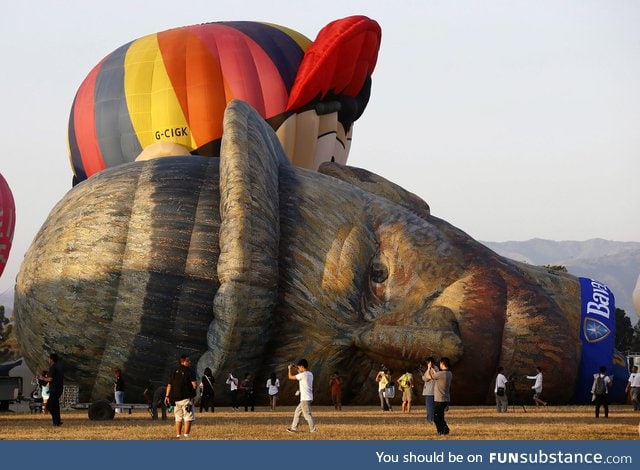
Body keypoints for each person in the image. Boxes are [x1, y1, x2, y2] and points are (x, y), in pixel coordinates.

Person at [164, 355, 197, 438]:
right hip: (186, 398)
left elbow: (169, 385)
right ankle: (186, 435)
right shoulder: (189, 371)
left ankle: (178, 434)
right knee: (188, 416)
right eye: (188, 361)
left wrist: (167, 396)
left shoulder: (174, 370)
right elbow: (194, 385)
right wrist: (193, 394)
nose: (189, 362)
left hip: (175, 399)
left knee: (178, 417)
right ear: (184, 361)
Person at [286, 359, 316, 433]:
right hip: (309, 397)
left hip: (304, 399)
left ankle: (313, 430)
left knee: (307, 415)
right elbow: (300, 371)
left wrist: (289, 369)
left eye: (299, 367)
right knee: (297, 412)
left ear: (302, 367)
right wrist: (295, 367)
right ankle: (294, 428)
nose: (298, 369)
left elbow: (290, 377)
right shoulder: (310, 374)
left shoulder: (302, 375)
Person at [429, 357, 452, 435]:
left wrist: (429, 368)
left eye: (440, 363)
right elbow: (437, 375)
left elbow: (430, 377)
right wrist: (433, 369)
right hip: (446, 399)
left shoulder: (441, 374)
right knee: (440, 416)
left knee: (436, 418)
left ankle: (443, 431)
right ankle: (444, 431)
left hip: (439, 399)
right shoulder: (449, 373)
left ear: (442, 363)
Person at [40, 352, 64, 426]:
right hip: (59, 388)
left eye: (49, 359)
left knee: (50, 406)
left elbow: (50, 379)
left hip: (54, 389)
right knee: (55, 406)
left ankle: (56, 421)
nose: (48, 360)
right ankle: (57, 422)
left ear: (52, 360)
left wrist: (42, 378)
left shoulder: (53, 367)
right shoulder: (60, 366)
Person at [422, 357, 438, 422]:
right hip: (431, 391)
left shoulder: (432, 369)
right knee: (431, 407)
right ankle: (431, 419)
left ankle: (430, 420)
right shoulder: (435, 368)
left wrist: (428, 368)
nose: (427, 364)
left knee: (430, 407)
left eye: (427, 362)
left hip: (430, 391)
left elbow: (427, 378)